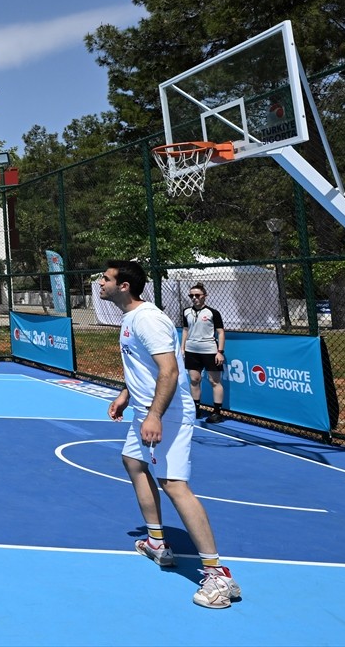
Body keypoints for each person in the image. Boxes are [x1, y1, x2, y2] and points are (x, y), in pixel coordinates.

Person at [98, 260, 242, 609]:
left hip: (167, 413)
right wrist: (125, 394)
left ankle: (218, 576)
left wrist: (156, 416)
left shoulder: (148, 319)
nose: (100, 283)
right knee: (132, 461)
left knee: (175, 485)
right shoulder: (130, 317)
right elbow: (145, 369)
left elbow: (169, 370)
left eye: (105, 279)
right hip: (145, 409)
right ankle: (157, 541)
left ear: (124, 286)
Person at [181, 283, 227, 423]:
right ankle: (196, 410)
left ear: (204, 296)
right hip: (191, 350)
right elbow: (185, 329)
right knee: (194, 380)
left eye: (197, 295)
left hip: (209, 350)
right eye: (191, 295)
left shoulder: (213, 312)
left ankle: (217, 412)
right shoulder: (186, 311)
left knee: (215, 381)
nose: (194, 298)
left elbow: (220, 332)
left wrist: (220, 352)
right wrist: (182, 348)